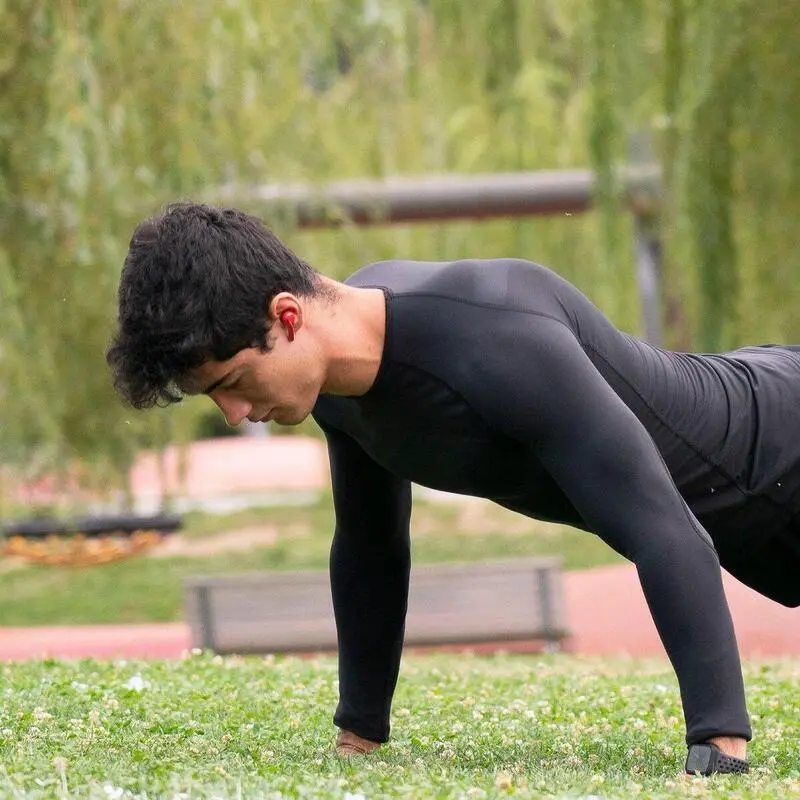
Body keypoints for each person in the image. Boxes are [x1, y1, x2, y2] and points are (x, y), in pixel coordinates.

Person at [107, 201, 799, 777]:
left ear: (288, 317)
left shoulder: (499, 336)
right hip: (752, 512)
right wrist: (359, 733)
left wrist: (719, 746)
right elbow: (372, 546)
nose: (233, 414)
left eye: (231, 382)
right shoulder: (338, 387)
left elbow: (663, 530)